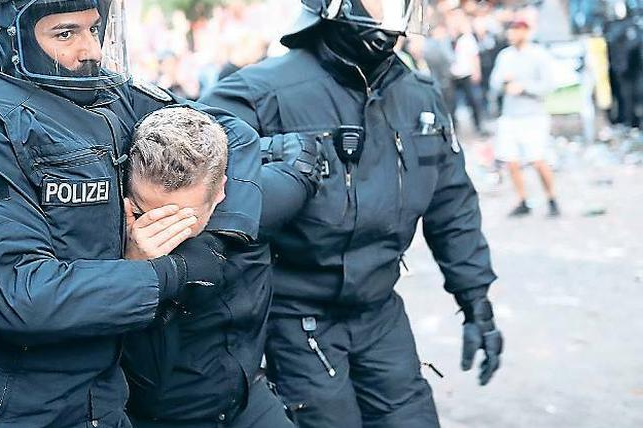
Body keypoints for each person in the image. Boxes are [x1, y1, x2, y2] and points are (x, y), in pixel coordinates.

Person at [0, 0, 286, 426]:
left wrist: (211, 233)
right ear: (2, 33)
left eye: (93, 29)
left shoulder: (103, 93)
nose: (90, 49)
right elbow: (22, 295)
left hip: (100, 398)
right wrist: (171, 272)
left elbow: (228, 134)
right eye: (65, 33)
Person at [201, 1, 503, 426]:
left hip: (380, 313)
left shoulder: (418, 96)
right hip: (296, 321)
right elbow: (193, 182)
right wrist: (273, 157)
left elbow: (453, 206)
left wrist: (476, 302)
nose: (394, 11)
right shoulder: (258, 93)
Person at [120, 106, 306, 428]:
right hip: (166, 416)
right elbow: (145, 383)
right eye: (143, 212)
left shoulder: (252, 204)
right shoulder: (114, 231)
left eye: (182, 218)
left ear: (221, 192)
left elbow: (302, 173)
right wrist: (138, 274)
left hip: (246, 399)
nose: (161, 230)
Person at [489, 19, 559, 217]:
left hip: (533, 116)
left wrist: (524, 88)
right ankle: (522, 200)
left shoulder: (539, 55)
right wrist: (504, 82)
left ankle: (551, 197)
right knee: (511, 161)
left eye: (516, 31)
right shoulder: (505, 56)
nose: (512, 35)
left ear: (526, 32)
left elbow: (549, 85)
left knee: (537, 160)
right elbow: (494, 83)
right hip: (510, 115)